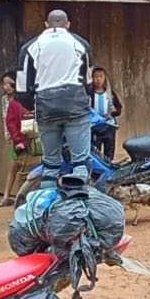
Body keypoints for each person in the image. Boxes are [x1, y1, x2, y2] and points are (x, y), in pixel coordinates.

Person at [15, 10, 92, 178]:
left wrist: (35, 106)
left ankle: (46, 199)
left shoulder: (30, 47)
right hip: (75, 105)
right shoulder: (80, 44)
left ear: (46, 25)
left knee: (50, 165)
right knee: (80, 164)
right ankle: (80, 199)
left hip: (46, 107)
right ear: (68, 24)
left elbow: (21, 90)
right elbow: (89, 83)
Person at [0, 71, 32, 206]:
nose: (6, 86)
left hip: (26, 137)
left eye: (9, 83)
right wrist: (14, 138)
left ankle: (10, 196)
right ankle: (11, 196)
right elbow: (7, 120)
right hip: (15, 138)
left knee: (18, 166)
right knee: (16, 166)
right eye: (4, 83)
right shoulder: (6, 101)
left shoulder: (23, 99)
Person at [88, 66, 124, 161]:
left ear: (105, 78)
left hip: (109, 126)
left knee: (109, 150)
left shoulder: (110, 94)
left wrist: (113, 113)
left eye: (101, 76)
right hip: (94, 127)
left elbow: (119, 108)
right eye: (95, 77)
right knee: (95, 151)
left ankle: (109, 166)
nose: (98, 79)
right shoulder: (89, 94)